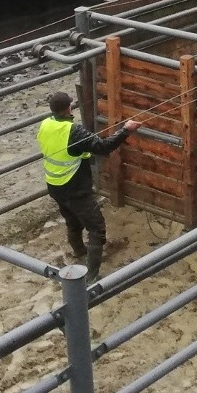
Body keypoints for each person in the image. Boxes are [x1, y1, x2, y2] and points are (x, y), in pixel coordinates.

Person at [36, 91, 140, 282]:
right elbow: (104, 146)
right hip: (75, 188)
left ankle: (79, 253)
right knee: (97, 228)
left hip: (55, 186)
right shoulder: (73, 131)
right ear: (69, 108)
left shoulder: (45, 124)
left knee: (72, 221)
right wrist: (126, 130)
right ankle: (91, 276)